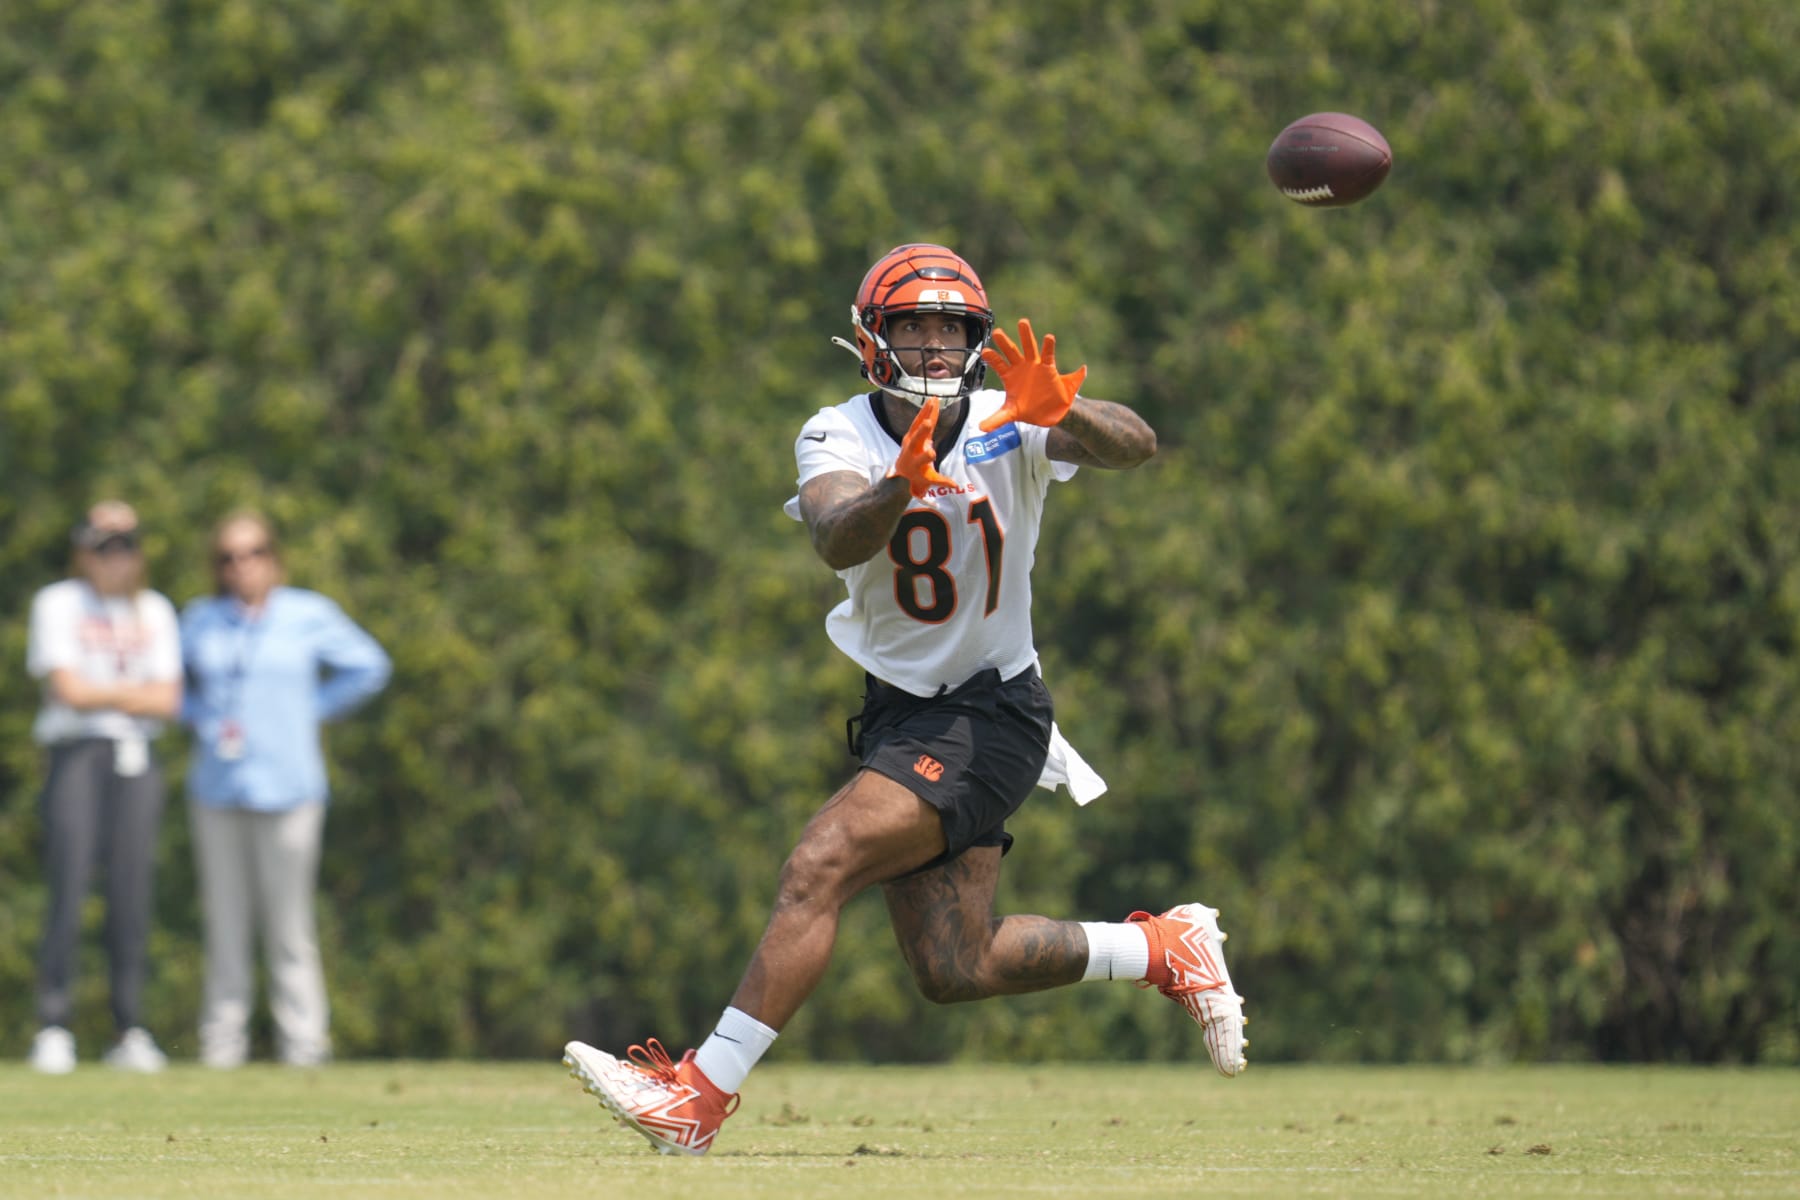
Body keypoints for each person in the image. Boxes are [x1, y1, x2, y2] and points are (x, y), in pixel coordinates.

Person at [564, 244, 1246, 1155]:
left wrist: (1066, 405)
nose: (933, 344)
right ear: (871, 339)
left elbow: (1138, 445)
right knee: (955, 964)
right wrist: (900, 487)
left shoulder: (1012, 416)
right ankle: (1163, 950)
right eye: (913, 326)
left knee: (821, 862)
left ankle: (698, 1097)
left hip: (992, 710)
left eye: (951, 327)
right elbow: (839, 537)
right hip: (901, 710)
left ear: (976, 337)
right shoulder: (836, 430)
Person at [179, 510, 391, 1068]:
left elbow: (369, 665)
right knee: (225, 921)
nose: (240, 566)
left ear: (272, 558)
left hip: (290, 787)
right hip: (218, 788)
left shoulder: (308, 613)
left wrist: (312, 711)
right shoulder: (200, 619)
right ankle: (221, 1046)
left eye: (252, 554)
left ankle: (305, 1045)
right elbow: (169, 683)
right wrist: (199, 717)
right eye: (228, 557)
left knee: (290, 924)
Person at [25, 501, 183, 1074]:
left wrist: (110, 692)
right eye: (103, 546)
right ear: (83, 552)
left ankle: (129, 1026)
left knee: (131, 893)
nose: (115, 558)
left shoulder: (156, 611)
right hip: (77, 754)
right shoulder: (58, 603)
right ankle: (53, 1024)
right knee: (68, 885)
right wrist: (131, 694)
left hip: (137, 758)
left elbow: (169, 699)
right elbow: (69, 689)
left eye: (126, 545)